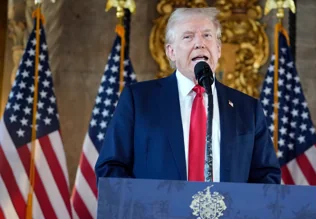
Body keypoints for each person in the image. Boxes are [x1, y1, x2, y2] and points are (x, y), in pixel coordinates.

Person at [94, 7, 281, 184]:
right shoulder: (138, 100)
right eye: (188, 36)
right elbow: (110, 168)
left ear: (218, 49)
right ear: (171, 52)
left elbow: (266, 176)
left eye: (207, 35)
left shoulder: (248, 109)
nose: (199, 43)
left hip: (228, 218)